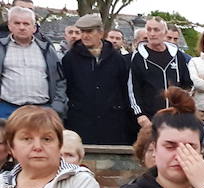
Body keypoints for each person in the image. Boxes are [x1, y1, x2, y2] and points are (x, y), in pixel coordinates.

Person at [62, 14, 134, 145]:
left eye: (89, 31)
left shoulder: (117, 59)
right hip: (80, 121)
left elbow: (124, 90)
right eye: (82, 32)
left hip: (112, 123)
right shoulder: (70, 59)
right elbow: (66, 88)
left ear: (100, 33)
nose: (85, 36)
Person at [0, 6, 66, 119]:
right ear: (10, 26)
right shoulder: (1, 47)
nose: (22, 27)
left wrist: (57, 106)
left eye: (26, 24)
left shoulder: (47, 50)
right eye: (17, 23)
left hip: (42, 109)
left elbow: (60, 80)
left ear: (34, 28)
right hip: (7, 109)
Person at [127, 17, 192, 128]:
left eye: (156, 30)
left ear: (165, 33)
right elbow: (133, 89)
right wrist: (140, 115)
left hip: (175, 118)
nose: (152, 33)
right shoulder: (138, 57)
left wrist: (183, 109)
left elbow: (187, 85)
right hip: (150, 119)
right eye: (149, 29)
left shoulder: (177, 55)